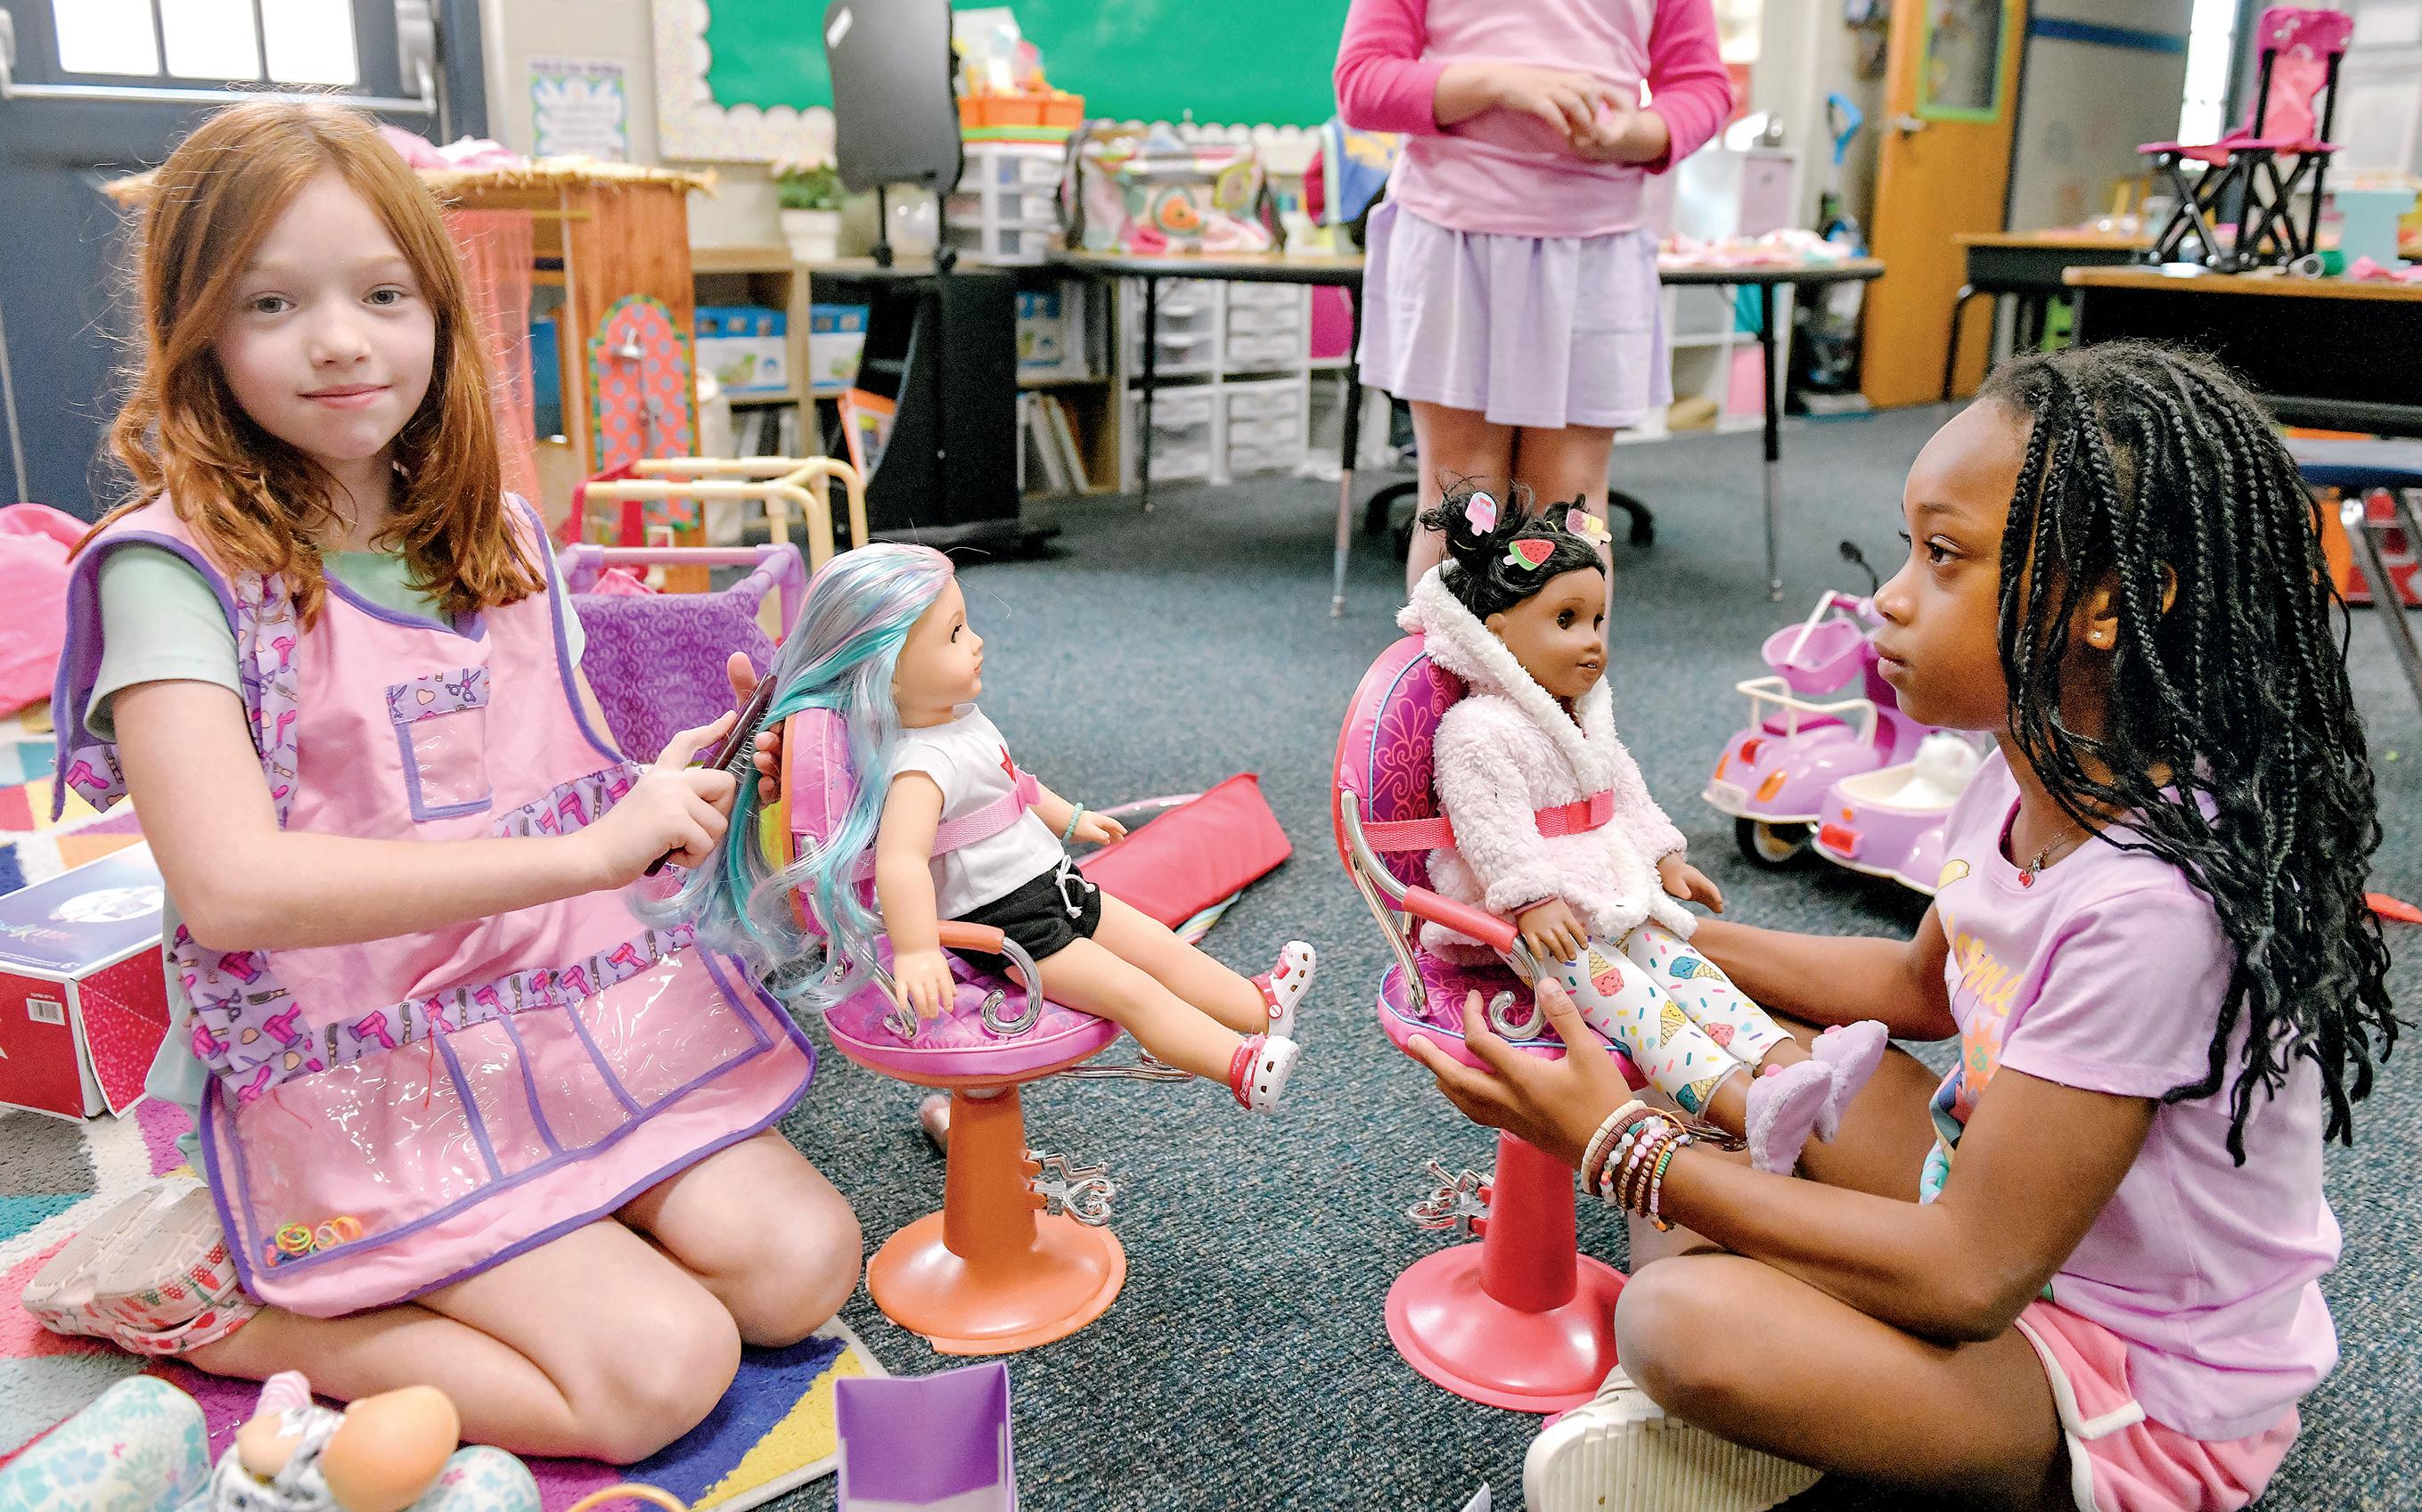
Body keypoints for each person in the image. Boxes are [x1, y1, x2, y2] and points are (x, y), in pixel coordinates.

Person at [1412, 345, 2398, 1512]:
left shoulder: (2154, 909)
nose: (1888, 594)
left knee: (1675, 1313)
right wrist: (1632, 934)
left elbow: (1969, 1275)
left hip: (2129, 1369)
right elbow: (1917, 985)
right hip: (2000, 1206)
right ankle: (1782, 1388)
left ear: (2104, 603)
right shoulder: (2025, 773)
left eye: (1943, 555)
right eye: (1907, 547)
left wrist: (1618, 1143)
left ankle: (1749, 1397)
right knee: (1735, 1062)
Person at [46, 100, 860, 1463]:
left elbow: (529, 783)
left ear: (439, 308)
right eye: (271, 302)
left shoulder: (504, 533)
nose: (341, 340)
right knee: (659, 1374)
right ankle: (223, 1310)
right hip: (357, 1069)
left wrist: (660, 792)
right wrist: (587, 854)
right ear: (197, 330)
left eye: (383, 294)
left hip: (555, 1010)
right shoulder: (168, 571)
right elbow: (231, 888)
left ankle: (523, 1230)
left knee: (800, 1268)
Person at [1335, 0, 1733, 593]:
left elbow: (1702, 86)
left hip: (1594, 247)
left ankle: (1560, 662)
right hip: (1454, 238)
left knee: (1571, 501)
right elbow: (1362, 82)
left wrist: (1637, 134)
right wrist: (1499, 83)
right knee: (1462, 495)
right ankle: (1451, 660)